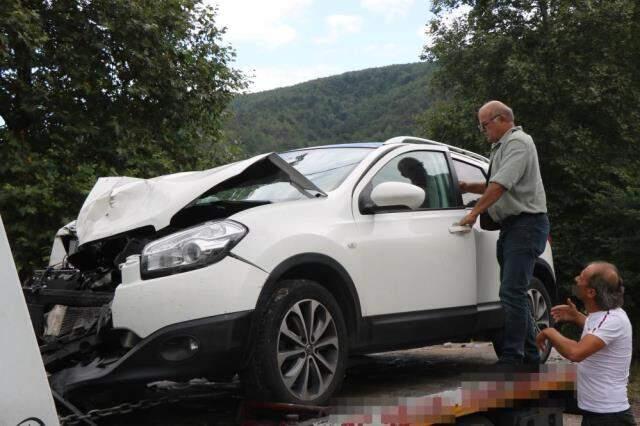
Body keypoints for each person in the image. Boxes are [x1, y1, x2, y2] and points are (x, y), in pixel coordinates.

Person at [459, 100, 549, 365]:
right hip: (512, 228)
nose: (483, 130)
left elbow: (500, 185)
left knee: (512, 292)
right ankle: (530, 356)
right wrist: (467, 186)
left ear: (500, 119)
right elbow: (491, 184)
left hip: (526, 225)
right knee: (513, 293)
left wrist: (474, 212)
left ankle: (513, 357)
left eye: (484, 125)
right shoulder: (502, 147)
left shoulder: (518, 143)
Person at [537, 262, 635, 425]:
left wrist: (550, 333)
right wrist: (578, 318)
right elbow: (598, 332)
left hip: (608, 417)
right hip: (597, 411)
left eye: (581, 278)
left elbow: (575, 353)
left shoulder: (612, 320)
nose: (576, 279)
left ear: (591, 292)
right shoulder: (604, 315)